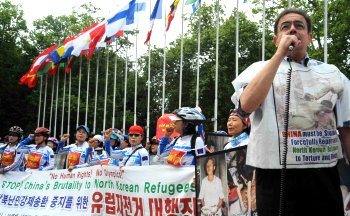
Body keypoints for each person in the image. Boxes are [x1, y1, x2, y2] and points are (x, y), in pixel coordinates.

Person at [231, 8, 350, 216]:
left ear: (310, 37)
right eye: (286, 27)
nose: (293, 29)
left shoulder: (333, 73)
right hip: (275, 176)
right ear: (277, 39)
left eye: (299, 26)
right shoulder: (258, 69)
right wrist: (279, 56)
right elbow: (246, 106)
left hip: (323, 175)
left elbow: (347, 128)